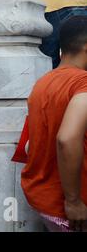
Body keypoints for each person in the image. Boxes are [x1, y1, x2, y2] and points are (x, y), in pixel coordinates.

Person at [22, 16, 87, 232]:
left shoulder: (43, 83)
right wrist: (73, 201)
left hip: (44, 202)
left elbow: (30, 145)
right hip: (74, 210)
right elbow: (66, 139)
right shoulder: (83, 83)